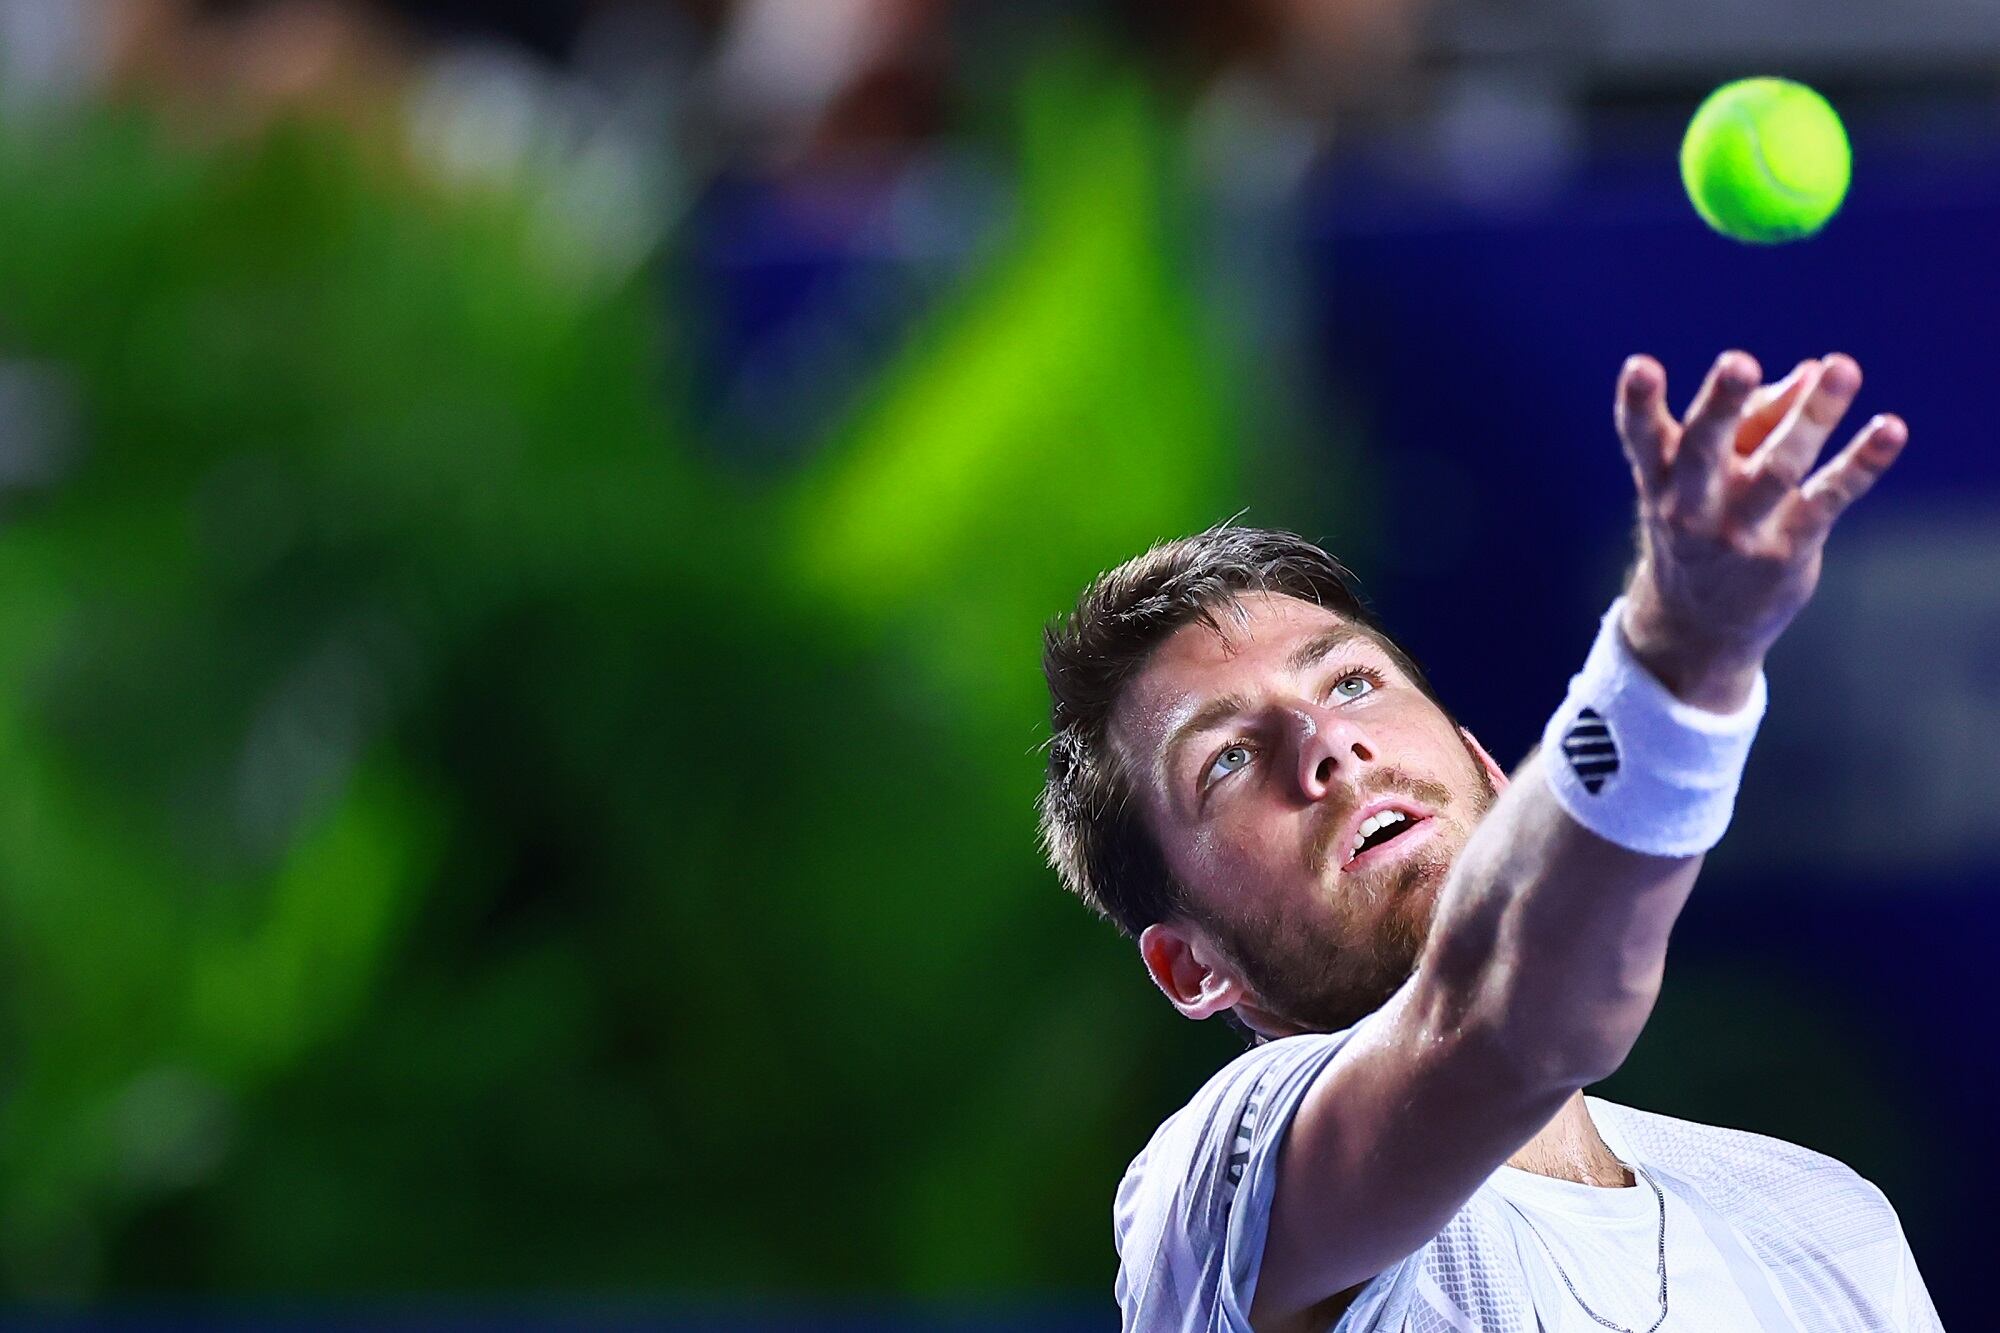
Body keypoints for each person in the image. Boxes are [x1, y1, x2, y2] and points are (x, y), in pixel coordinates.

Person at [1037, 351, 1944, 1331]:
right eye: (1224, 759)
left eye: (1347, 682)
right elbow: (1502, 1020)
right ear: (1190, 966)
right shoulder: (1216, 1189)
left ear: (1488, 769)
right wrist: (1676, 654)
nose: (1325, 746)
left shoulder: (1820, 1222)